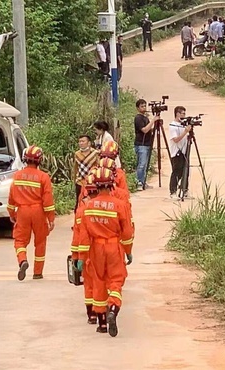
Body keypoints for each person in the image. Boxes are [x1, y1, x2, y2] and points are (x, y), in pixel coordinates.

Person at [78, 167, 134, 337]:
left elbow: (84, 235)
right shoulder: (120, 205)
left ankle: (102, 324)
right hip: (113, 246)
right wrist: (128, 251)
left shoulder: (88, 206)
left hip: (96, 249)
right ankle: (113, 309)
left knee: (99, 282)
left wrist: (82, 257)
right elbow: (126, 232)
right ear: (111, 185)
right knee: (116, 280)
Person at [7, 145, 56, 281]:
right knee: (40, 241)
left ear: (25, 159)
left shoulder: (17, 176)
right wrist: (51, 218)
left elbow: (11, 198)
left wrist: (11, 213)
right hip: (38, 211)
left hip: (22, 211)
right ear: (39, 160)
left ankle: (22, 260)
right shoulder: (43, 177)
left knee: (20, 241)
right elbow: (47, 200)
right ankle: (38, 272)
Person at [71, 170, 99, 325]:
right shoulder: (112, 206)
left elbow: (78, 236)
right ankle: (104, 312)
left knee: (88, 283)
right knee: (102, 282)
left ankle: (92, 315)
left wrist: (77, 256)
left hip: (87, 253)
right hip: (107, 251)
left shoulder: (82, 210)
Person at [134, 99, 158, 190]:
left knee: (145, 165)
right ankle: (139, 182)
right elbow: (144, 130)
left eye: (145, 106)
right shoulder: (138, 118)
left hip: (147, 144)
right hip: (141, 144)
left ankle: (143, 181)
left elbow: (149, 130)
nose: (144, 108)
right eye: (142, 106)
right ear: (137, 108)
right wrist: (153, 121)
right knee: (142, 164)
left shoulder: (145, 118)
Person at [168, 106, 191, 198]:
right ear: (177, 114)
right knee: (176, 171)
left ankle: (184, 190)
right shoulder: (172, 125)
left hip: (185, 151)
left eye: (184, 113)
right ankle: (173, 191)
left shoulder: (183, 124)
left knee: (186, 171)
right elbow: (176, 139)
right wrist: (185, 131)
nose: (184, 115)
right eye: (182, 113)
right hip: (176, 152)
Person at [72, 135, 99, 212]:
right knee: (79, 202)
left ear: (89, 143)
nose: (81, 143)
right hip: (80, 182)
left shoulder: (95, 153)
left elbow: (98, 165)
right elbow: (75, 168)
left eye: (83, 141)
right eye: (79, 141)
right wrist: (74, 179)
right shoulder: (77, 154)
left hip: (92, 183)